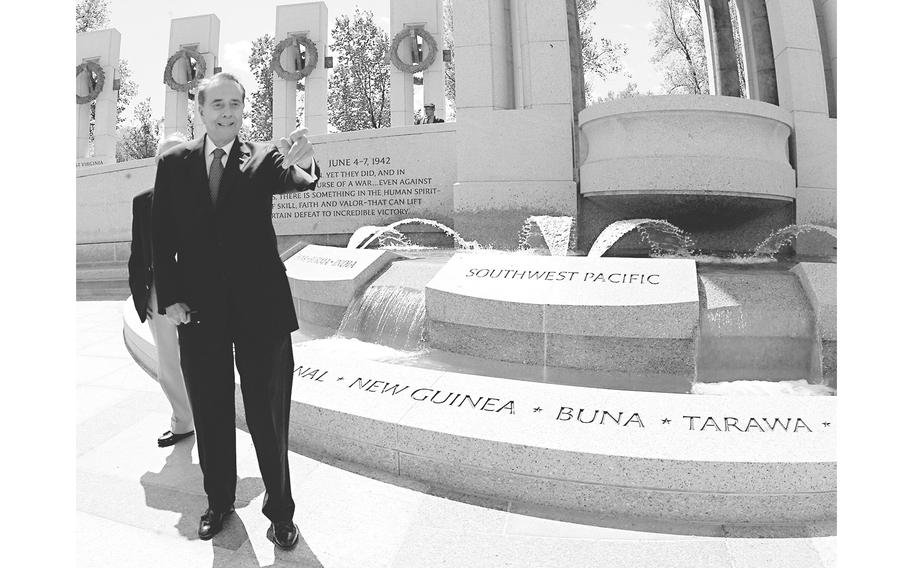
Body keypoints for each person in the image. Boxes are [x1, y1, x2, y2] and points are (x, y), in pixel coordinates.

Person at [151, 72, 320, 549]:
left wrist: (307, 165)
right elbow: (161, 237)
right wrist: (172, 297)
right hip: (199, 312)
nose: (227, 112)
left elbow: (295, 179)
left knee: (269, 413)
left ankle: (281, 512)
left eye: (236, 104)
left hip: (260, 309)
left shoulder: (263, 157)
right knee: (210, 410)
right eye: (218, 104)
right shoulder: (175, 162)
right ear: (200, 111)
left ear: (244, 110)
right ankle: (219, 501)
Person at [128, 132, 195, 448]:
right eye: (165, 158)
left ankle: (209, 419)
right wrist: (142, 293)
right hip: (157, 294)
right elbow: (137, 252)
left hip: (198, 294)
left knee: (202, 361)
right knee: (168, 363)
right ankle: (183, 421)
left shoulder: (205, 197)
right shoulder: (143, 201)